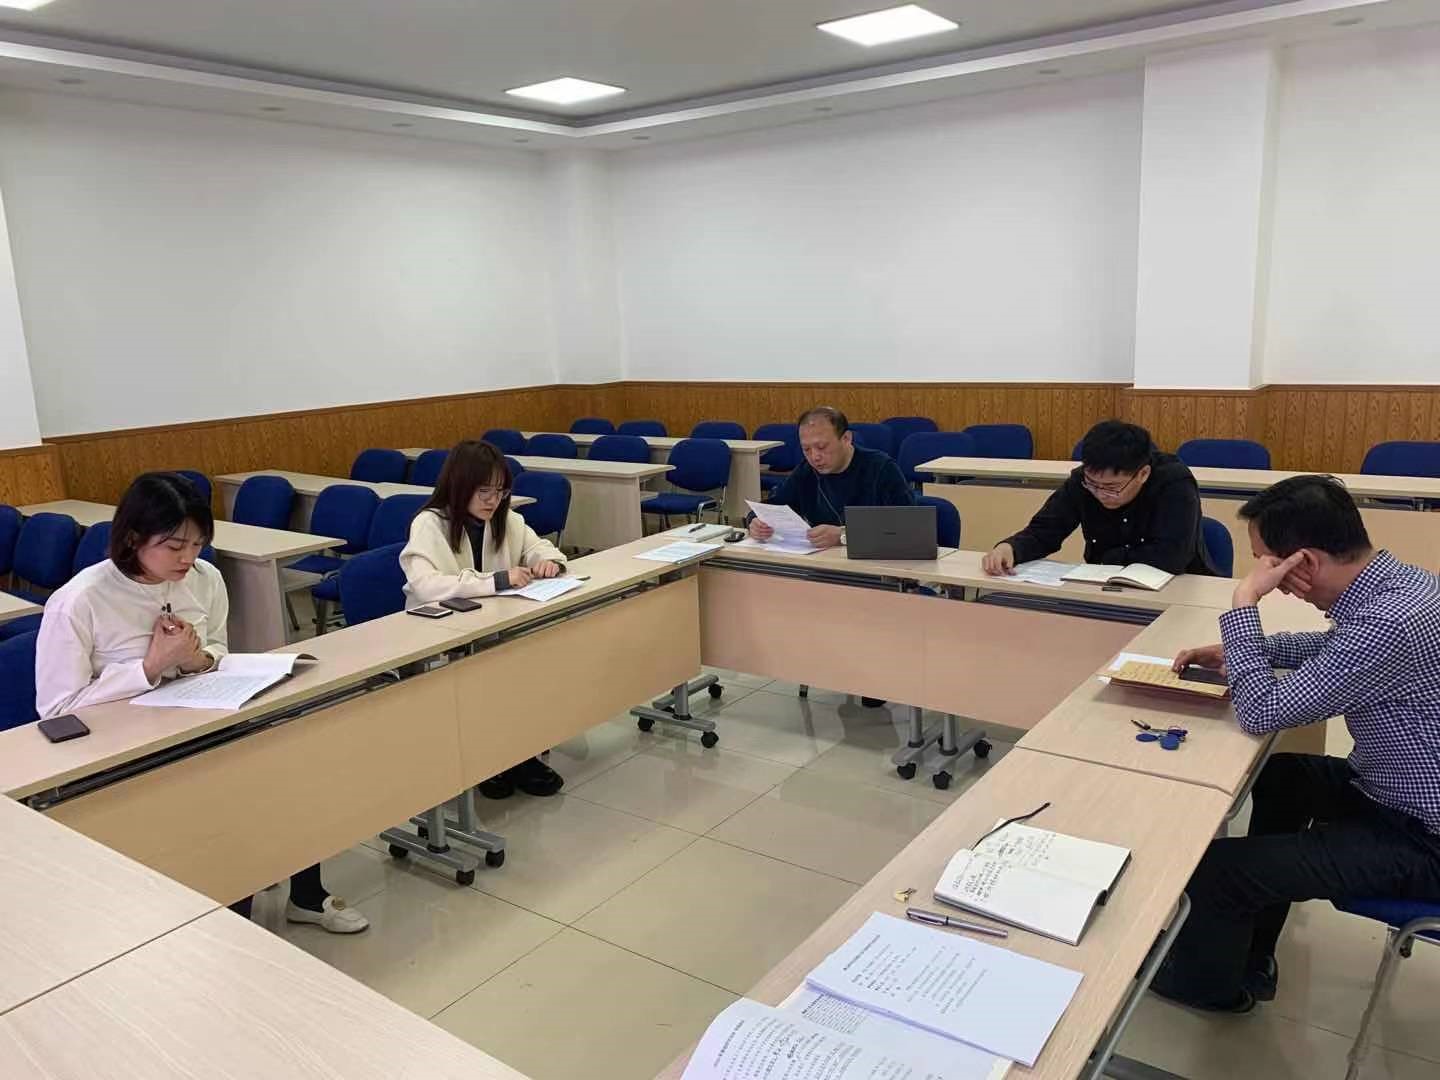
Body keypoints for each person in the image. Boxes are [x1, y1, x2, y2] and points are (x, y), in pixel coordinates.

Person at [1153, 475, 1440, 1012]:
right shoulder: (1403, 585)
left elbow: (1261, 712)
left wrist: (1244, 605)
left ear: (1303, 562)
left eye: (1267, 564)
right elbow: (1339, 646)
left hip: (1422, 837)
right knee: (1284, 777)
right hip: (1391, 791)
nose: (1267, 580)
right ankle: (1253, 947)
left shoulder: (1389, 622)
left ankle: (1212, 991)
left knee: (1218, 871)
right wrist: (1251, 648)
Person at [36, 472, 367, 934]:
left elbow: (217, 649)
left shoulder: (205, 578)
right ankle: (233, 924)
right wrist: (149, 667)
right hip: (124, 747)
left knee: (291, 766)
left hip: (200, 717)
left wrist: (198, 660)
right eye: (174, 546)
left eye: (197, 545)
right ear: (132, 538)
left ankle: (305, 893)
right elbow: (57, 710)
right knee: (227, 805)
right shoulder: (80, 601)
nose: (188, 559)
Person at [400, 439, 568, 798]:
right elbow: (425, 585)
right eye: (484, 491)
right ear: (459, 485)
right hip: (438, 630)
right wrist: (496, 580)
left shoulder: (508, 519)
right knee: (486, 676)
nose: (493, 500)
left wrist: (548, 562)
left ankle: (519, 755)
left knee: (527, 665)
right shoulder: (430, 523)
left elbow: (540, 547)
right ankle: (487, 761)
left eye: (500, 491)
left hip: (490, 625)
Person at [981, 419, 1215, 577]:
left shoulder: (1174, 483)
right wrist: (1011, 548)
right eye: (1093, 485)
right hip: (1104, 585)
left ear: (1142, 474)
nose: (1101, 494)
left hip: (1179, 589)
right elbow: (1046, 530)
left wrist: (1107, 559)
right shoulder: (1082, 481)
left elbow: (1170, 557)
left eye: (1112, 487)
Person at [748, 406, 913, 551]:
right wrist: (756, 522)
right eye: (806, 449)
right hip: (823, 562)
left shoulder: (881, 468)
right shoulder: (806, 471)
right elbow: (774, 505)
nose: (815, 457)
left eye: (822, 447)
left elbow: (907, 527)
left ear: (846, 439)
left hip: (875, 562)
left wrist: (844, 535)